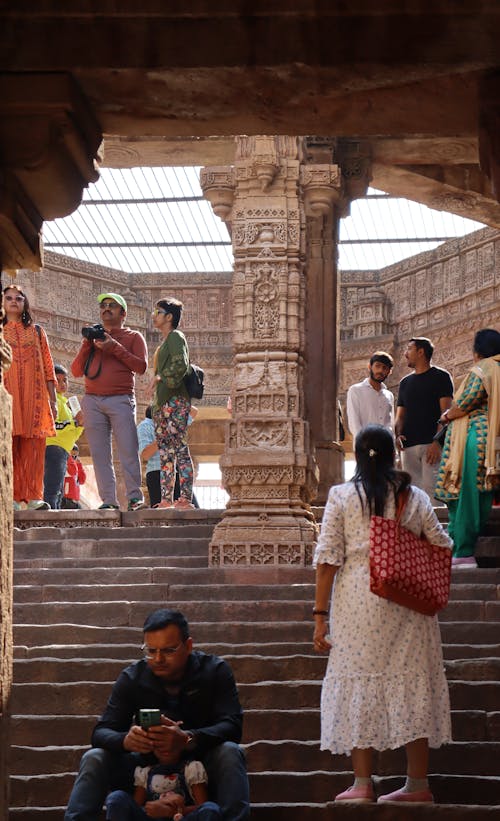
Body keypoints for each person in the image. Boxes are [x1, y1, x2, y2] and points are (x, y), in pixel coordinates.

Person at [313, 424, 452, 805]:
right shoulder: (415, 496)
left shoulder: (341, 496)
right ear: (393, 454)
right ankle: (418, 785)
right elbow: (443, 542)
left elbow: (327, 559)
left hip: (359, 600)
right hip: (408, 602)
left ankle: (361, 783)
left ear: (356, 457)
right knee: (411, 684)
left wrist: (320, 615)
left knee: (359, 681)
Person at [64, 608, 249, 821]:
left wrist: (187, 739)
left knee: (230, 752)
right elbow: (100, 733)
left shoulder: (215, 671)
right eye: (150, 651)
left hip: (202, 772)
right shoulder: (132, 677)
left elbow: (233, 726)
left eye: (169, 650)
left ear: (188, 646)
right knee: (94, 757)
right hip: (143, 773)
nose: (158, 659)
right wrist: (126, 740)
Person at [71, 292, 148, 511]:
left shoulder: (134, 337)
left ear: (123, 313)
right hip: (92, 401)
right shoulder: (93, 339)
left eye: (112, 305)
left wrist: (113, 346)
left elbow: (141, 367)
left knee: (128, 449)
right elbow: (76, 371)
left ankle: (135, 498)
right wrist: (88, 344)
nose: (106, 309)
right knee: (100, 454)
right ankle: (109, 501)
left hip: (121, 399)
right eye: (103, 305)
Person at [435, 328, 500, 568]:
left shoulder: (483, 368)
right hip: (493, 440)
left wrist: (447, 415)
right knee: (482, 494)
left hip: (476, 439)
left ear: (477, 351)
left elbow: (466, 401)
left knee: (467, 495)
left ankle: (463, 550)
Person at [3, 284, 57, 510]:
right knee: (8, 445)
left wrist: (52, 400)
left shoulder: (36, 331)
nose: (14, 301)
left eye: (19, 298)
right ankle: (12, 497)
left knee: (35, 447)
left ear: (25, 303)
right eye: (8, 298)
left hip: (34, 399)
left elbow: (48, 366)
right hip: (7, 396)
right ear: (2, 303)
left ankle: (34, 497)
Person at [395, 337, 453, 499]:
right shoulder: (405, 383)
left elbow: (446, 414)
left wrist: (437, 442)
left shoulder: (441, 376)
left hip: (432, 447)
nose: (405, 354)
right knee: (411, 496)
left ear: (421, 352)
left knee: (432, 495)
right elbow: (400, 416)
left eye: (409, 349)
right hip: (408, 448)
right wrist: (397, 435)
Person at [150, 298, 195, 510]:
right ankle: (166, 499)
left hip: (176, 401)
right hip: (162, 404)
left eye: (158, 312)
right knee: (166, 453)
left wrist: (161, 378)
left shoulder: (176, 337)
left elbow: (181, 365)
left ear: (169, 317)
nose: (154, 315)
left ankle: (185, 498)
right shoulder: (164, 343)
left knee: (180, 450)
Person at [105, 744, 222, 820]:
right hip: (152, 817)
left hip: (181, 817)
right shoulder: (145, 772)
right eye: (159, 742)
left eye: (172, 742)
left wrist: (175, 811)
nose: (166, 747)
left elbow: (202, 806)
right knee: (117, 798)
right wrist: (155, 808)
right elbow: (137, 807)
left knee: (211, 808)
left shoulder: (191, 768)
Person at [138, 405, 200, 508]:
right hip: (157, 473)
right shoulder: (145, 426)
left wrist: (175, 396)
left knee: (193, 511)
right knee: (163, 516)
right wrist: (163, 436)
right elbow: (145, 454)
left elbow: (194, 411)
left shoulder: (172, 423)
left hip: (176, 473)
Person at [43, 364, 84, 508]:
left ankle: (54, 520)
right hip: (53, 447)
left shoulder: (66, 403)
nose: (62, 384)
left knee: (58, 490)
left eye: (65, 380)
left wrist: (80, 424)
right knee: (52, 489)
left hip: (62, 450)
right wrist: (73, 422)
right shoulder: (52, 402)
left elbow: (73, 435)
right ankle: (49, 522)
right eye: (57, 381)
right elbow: (55, 425)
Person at [346, 351, 394, 439]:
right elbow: (354, 423)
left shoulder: (389, 395)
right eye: (377, 366)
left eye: (385, 368)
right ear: (369, 367)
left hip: (385, 447)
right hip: (364, 446)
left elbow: (390, 424)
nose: (380, 371)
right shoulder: (355, 390)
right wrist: (364, 444)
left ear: (389, 372)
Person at [62, 444, 87, 509]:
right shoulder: (66, 463)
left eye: (76, 453)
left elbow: (82, 480)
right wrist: (69, 459)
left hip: (75, 500)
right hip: (66, 499)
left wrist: (79, 465)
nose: (74, 455)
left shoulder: (75, 466)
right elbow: (72, 472)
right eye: (72, 452)